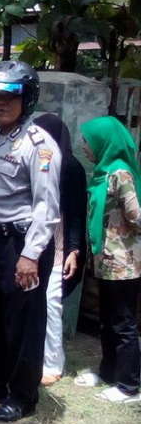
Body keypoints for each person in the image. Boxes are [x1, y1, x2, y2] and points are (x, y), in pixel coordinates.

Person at [0, 60, 61, 423]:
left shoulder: (39, 145)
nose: (0, 102)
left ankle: (22, 396)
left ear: (27, 98)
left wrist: (31, 255)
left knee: (23, 322)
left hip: (21, 244)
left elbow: (46, 206)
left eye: (10, 95)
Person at [74, 116, 141, 404]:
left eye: (88, 141)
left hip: (123, 263)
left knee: (123, 324)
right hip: (106, 262)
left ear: (104, 142)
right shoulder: (102, 174)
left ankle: (129, 386)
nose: (84, 146)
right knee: (107, 320)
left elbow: (136, 216)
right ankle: (109, 372)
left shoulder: (119, 173)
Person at [32, 114, 87, 386]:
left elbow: (76, 214)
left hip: (59, 243)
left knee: (51, 303)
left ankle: (53, 363)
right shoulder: (34, 160)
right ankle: (30, 356)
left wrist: (73, 250)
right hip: (31, 241)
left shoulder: (71, 167)